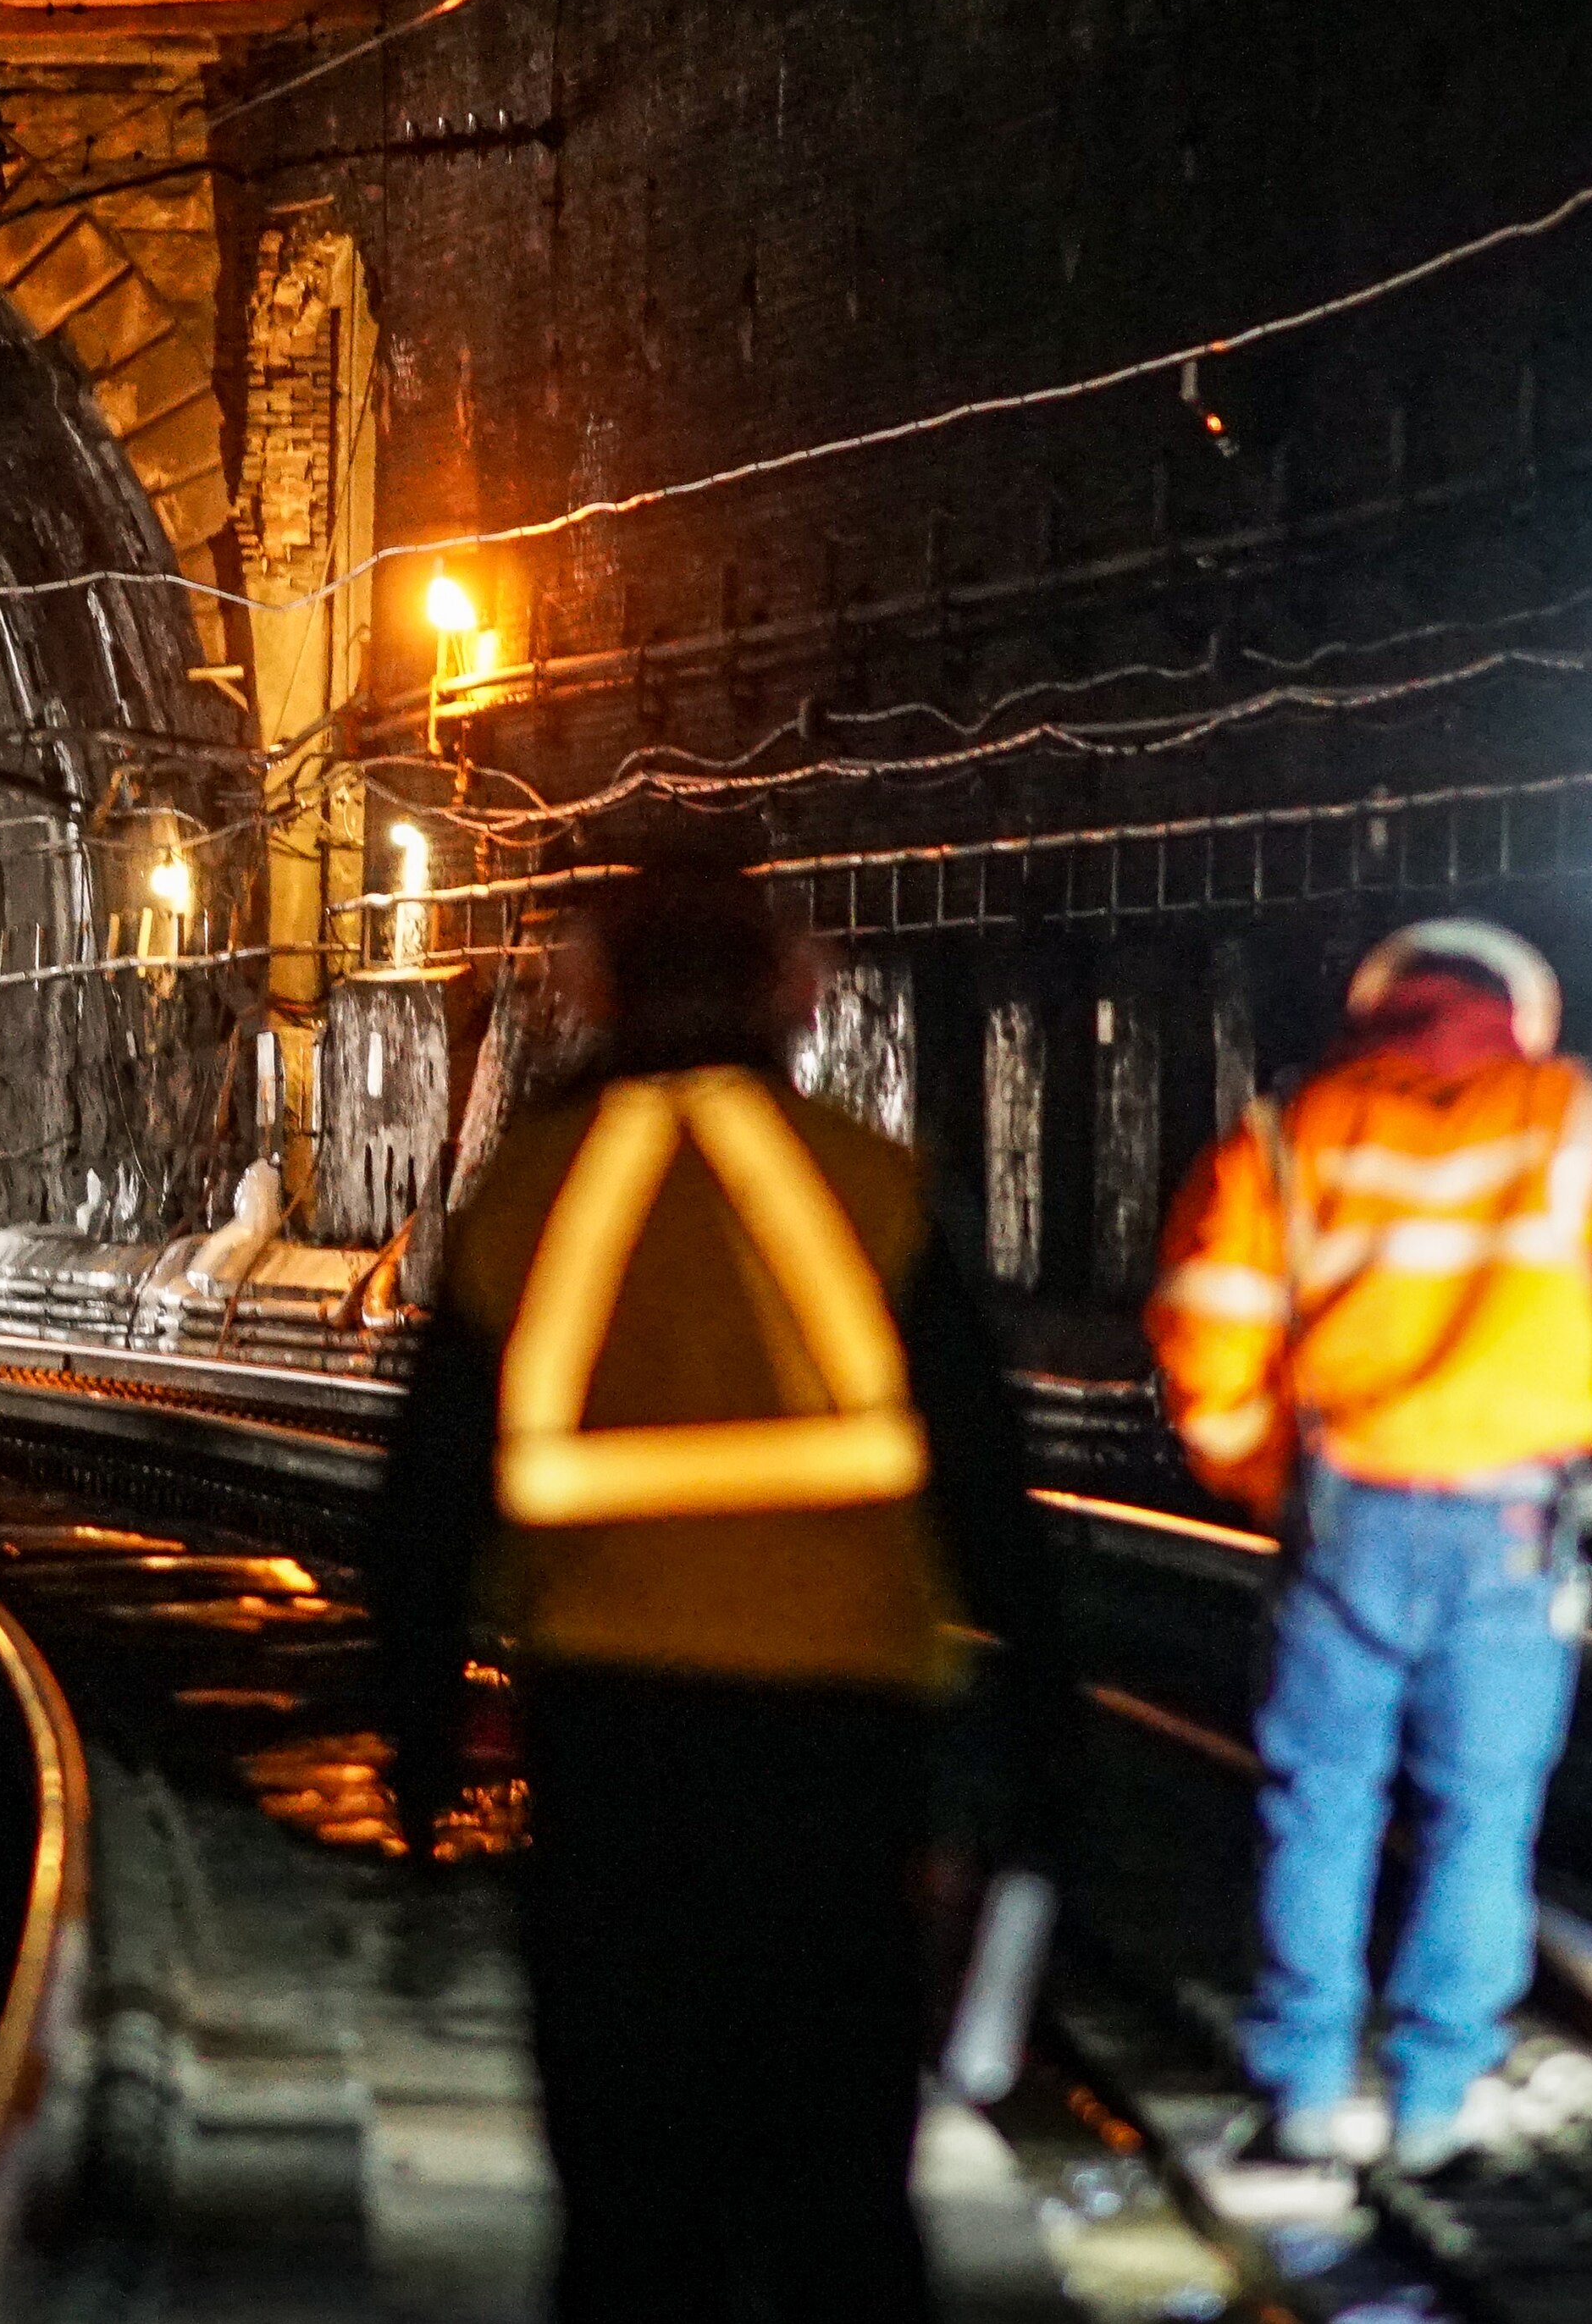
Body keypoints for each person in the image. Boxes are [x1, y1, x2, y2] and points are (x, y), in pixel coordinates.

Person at [377, 851, 1078, 2322]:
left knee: (630, 2177)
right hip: (843, 1733)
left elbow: (432, 1489)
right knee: (839, 2172)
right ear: (796, 988)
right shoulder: (869, 1181)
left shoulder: (529, 1189)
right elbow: (989, 1489)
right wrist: (1042, 1747)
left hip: (615, 1734)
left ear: (588, 987)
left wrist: (423, 1735)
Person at [1147, 919, 1592, 2175]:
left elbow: (1208, 1320)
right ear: (1523, 1011)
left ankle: (1305, 2084)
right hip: (1515, 1517)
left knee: (1320, 1801)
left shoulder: (1288, 1130)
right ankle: (1436, 2097)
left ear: (1377, 1006)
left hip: (1347, 1507)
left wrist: (1268, 1478)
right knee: (1482, 1810)